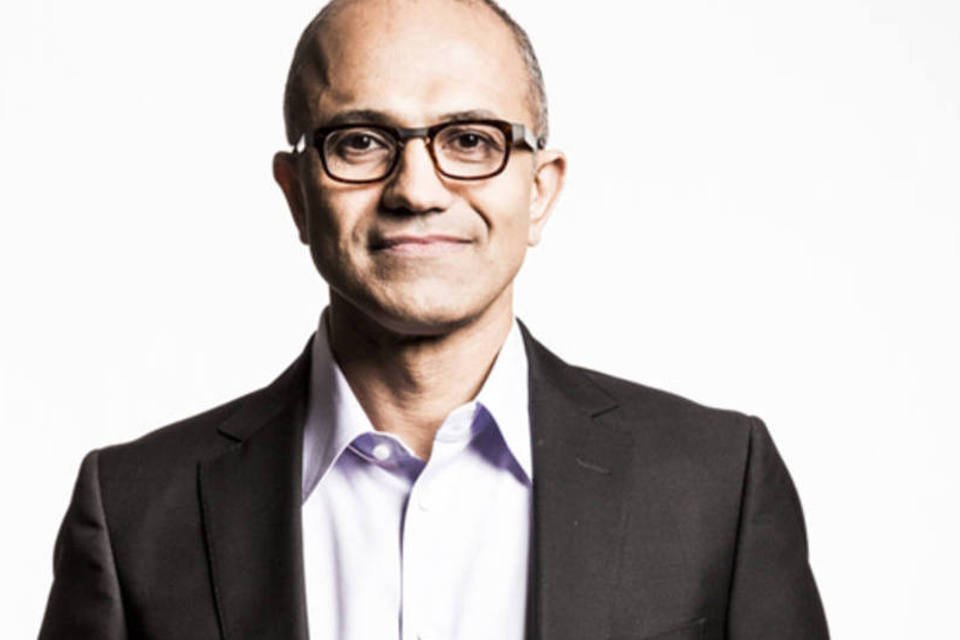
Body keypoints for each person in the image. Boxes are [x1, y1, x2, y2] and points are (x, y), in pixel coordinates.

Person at [38, 0, 829, 638]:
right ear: (296, 194)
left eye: (471, 140)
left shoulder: (716, 484)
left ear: (541, 189)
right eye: (359, 142)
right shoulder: (135, 510)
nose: (417, 189)